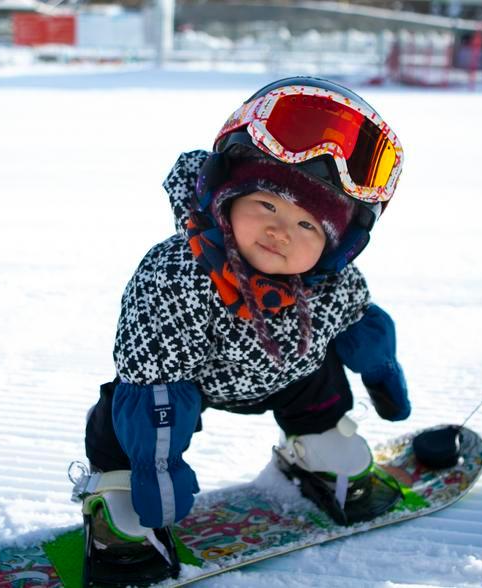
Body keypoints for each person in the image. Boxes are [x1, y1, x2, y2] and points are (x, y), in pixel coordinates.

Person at [80, 76, 409, 583]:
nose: (281, 231)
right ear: (224, 198)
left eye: (307, 225)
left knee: (320, 375)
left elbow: (360, 325)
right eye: (267, 205)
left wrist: (381, 370)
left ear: (338, 247)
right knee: (127, 416)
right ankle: (120, 489)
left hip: (288, 376)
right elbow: (156, 387)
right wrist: (156, 467)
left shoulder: (330, 283)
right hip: (188, 387)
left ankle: (317, 445)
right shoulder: (178, 275)